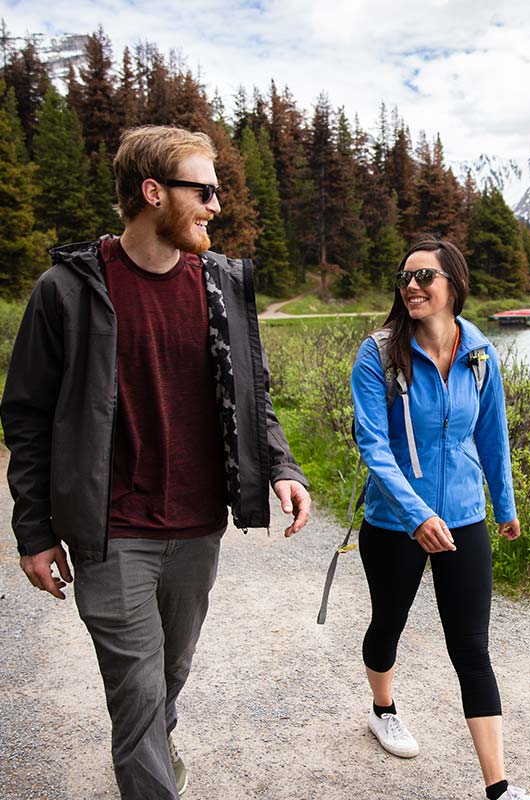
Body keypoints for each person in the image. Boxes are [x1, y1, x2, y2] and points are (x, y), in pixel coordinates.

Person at [1, 125, 311, 800]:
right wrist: (33, 532)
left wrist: (283, 466)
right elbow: (26, 417)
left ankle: (153, 743)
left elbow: (252, 391)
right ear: (153, 192)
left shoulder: (220, 284)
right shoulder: (67, 290)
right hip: (112, 532)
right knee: (137, 689)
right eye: (203, 191)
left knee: (168, 675)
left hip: (198, 528)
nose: (215, 207)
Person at [351, 238, 530, 800]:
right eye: (405, 276)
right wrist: (415, 515)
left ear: (453, 284)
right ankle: (382, 708)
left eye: (425, 276)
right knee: (388, 623)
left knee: (471, 647)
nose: (411, 285)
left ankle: (499, 787)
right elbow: (373, 443)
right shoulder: (379, 353)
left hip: (463, 517)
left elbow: (492, 435)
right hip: (394, 523)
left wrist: (502, 506)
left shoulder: (479, 353)